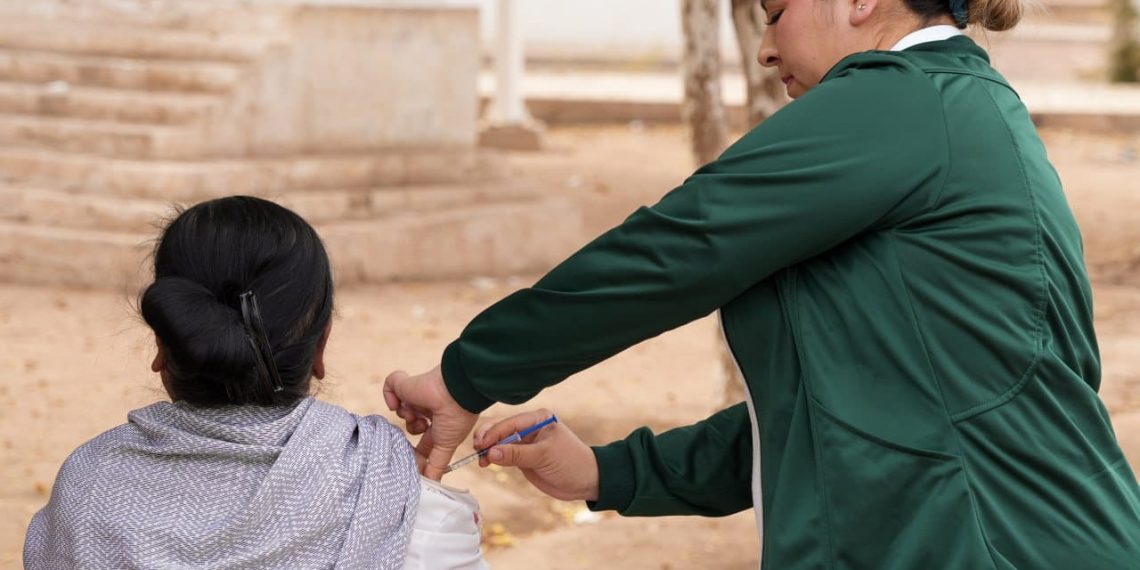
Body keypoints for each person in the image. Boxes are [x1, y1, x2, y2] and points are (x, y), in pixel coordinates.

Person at [383, 0, 1140, 566]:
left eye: (773, 13)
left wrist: (467, 373)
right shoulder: (946, 112)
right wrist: (609, 472)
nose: (766, 51)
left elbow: (682, 242)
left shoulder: (903, 101)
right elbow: (844, 414)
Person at [24, 196, 488, 570]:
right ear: (320, 348)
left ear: (165, 345)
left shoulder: (88, 488)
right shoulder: (396, 496)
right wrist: (422, 491)